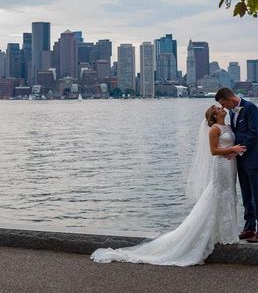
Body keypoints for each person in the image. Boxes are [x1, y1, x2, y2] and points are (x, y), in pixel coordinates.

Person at [90, 105, 246, 266]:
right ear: (214, 114)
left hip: (230, 165)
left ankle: (225, 233)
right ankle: (209, 234)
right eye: (218, 108)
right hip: (221, 165)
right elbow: (213, 151)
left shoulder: (227, 125)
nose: (222, 108)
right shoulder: (214, 129)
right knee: (219, 194)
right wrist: (233, 148)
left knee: (229, 194)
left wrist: (233, 151)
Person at [215, 87, 258, 243]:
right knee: (247, 195)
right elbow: (236, 133)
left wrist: (237, 151)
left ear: (228, 99)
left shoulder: (251, 108)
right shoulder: (233, 111)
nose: (223, 108)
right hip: (241, 160)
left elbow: (254, 133)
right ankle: (249, 227)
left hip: (255, 159)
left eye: (223, 104)